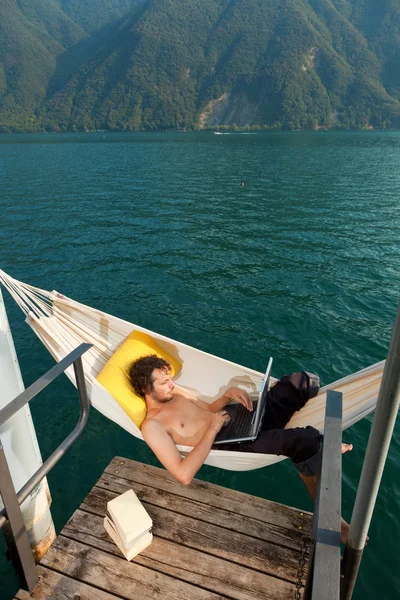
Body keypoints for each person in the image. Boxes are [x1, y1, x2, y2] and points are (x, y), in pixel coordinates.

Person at [128, 354, 353, 542]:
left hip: (243, 416)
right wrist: (213, 429)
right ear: (145, 389)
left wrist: (228, 395)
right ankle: (331, 516)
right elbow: (183, 474)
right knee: (305, 441)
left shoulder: (176, 394)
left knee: (300, 382)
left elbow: (207, 408)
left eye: (170, 379)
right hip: (234, 442)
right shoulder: (153, 426)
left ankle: (319, 445)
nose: (172, 384)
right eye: (164, 382)